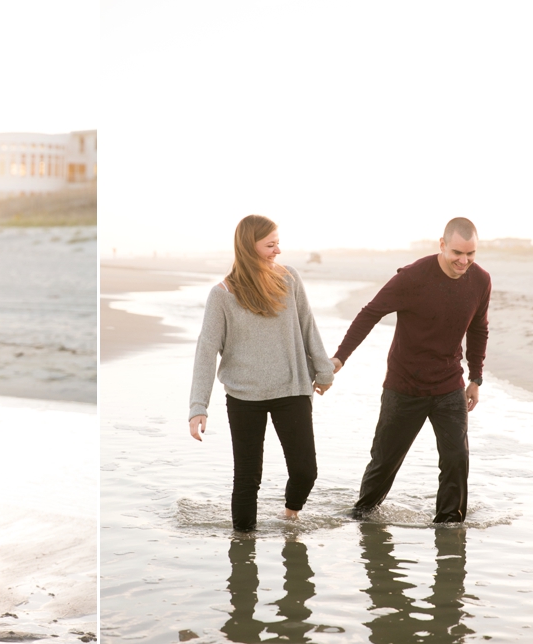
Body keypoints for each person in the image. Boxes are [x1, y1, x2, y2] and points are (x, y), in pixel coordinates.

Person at [331, 217, 490, 523]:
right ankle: (362, 518)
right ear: (442, 245)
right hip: (404, 386)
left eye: (471, 254)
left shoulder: (481, 280)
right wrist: (340, 358)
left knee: (457, 458)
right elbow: (370, 313)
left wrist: (475, 377)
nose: (464, 260)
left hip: (449, 384)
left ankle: (449, 527)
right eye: (458, 252)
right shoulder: (413, 277)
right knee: (384, 462)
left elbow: (479, 328)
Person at [189, 215, 335, 530]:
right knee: (247, 478)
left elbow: (308, 326)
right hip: (244, 396)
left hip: (292, 389)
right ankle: (243, 552)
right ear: (248, 246)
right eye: (270, 245)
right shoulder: (222, 294)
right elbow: (206, 351)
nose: (277, 250)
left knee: (305, 471)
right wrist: (198, 407)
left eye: (277, 243)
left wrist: (324, 372)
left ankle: (289, 518)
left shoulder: (290, 279)